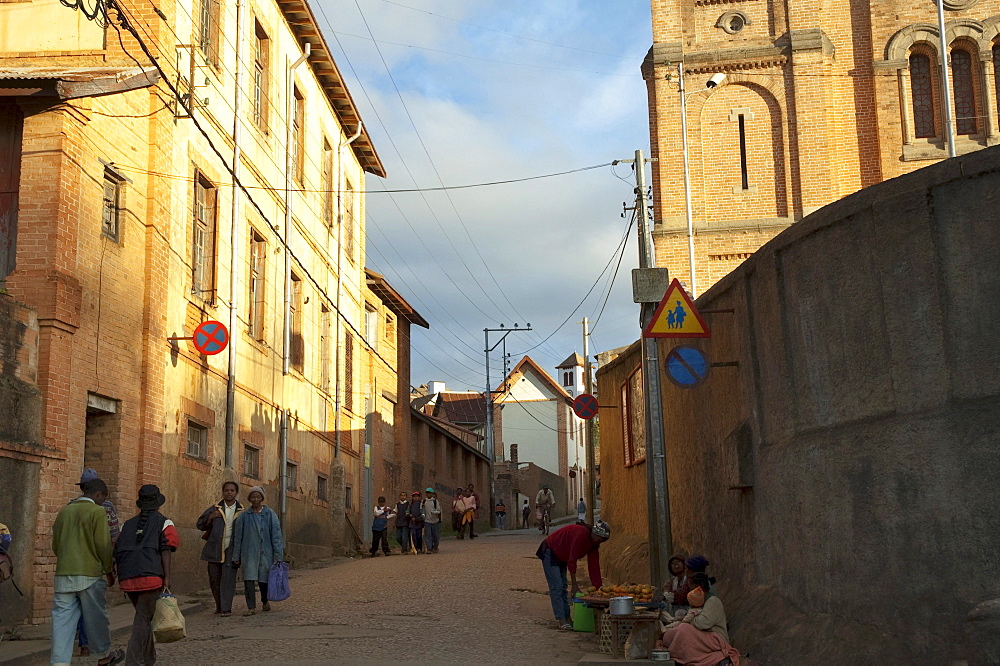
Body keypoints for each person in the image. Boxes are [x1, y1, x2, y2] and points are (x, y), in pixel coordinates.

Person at [50, 478, 124, 666]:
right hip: (89, 575)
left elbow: (56, 545)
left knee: (61, 622)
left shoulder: (64, 511)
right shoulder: (97, 512)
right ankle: (103, 655)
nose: (103, 503)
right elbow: (103, 544)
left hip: (63, 574)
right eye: (103, 499)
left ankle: (59, 662)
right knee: (96, 618)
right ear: (98, 494)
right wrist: (109, 570)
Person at [115, 485, 180, 665]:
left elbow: (116, 548)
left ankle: (149, 658)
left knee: (144, 617)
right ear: (158, 503)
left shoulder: (127, 525)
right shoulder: (165, 523)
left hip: (127, 577)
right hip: (151, 577)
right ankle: (133, 661)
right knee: (143, 619)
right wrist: (167, 577)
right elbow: (167, 549)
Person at [74, 469, 120, 657]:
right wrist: (110, 566)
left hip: (74, 562)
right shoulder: (107, 508)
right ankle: (94, 647)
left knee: (77, 604)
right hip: (94, 564)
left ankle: (84, 643)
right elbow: (112, 537)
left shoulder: (71, 506)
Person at [536, 520, 610, 631]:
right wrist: (574, 585)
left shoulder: (594, 545)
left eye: (603, 540)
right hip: (551, 550)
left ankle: (567, 617)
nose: (600, 541)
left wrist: (599, 590)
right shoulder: (581, 534)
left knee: (564, 587)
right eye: (600, 538)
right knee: (557, 587)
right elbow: (572, 559)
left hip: (562, 555)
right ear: (595, 534)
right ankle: (561, 619)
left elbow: (594, 568)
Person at [657, 573, 741, 665]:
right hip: (703, 636)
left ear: (698, 587)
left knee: (683, 629)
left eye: (691, 588)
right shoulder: (698, 602)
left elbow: (702, 623)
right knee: (675, 630)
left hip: (716, 639)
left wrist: (689, 620)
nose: (690, 591)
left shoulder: (713, 601)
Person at [232, 486, 284, 616]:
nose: (255, 499)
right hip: (248, 553)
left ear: (262, 498)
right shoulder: (244, 516)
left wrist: (278, 555)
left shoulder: (270, 514)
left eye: (258, 497)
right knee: (248, 580)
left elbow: (276, 535)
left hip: (266, 553)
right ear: (249, 499)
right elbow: (238, 537)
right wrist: (236, 555)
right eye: (253, 497)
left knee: (264, 579)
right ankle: (251, 607)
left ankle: (265, 601)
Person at [196, 481, 243, 616]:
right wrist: (210, 518)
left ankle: (226, 608)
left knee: (228, 580)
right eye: (226, 490)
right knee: (214, 579)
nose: (229, 492)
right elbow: (200, 525)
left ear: (236, 493)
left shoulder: (241, 511)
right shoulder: (215, 509)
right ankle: (219, 606)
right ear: (223, 492)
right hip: (214, 549)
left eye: (232, 490)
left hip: (232, 549)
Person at [422, 488, 442, 554]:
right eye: (427, 493)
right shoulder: (424, 501)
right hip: (427, 521)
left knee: (435, 536)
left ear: (432, 494)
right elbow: (421, 509)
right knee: (428, 535)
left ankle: (435, 547)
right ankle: (429, 548)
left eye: (430, 493)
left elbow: (439, 511)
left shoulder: (435, 502)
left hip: (435, 521)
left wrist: (434, 512)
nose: (428, 494)